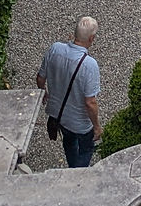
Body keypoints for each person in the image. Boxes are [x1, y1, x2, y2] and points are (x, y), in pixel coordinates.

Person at [36, 16, 102, 168]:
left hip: (60, 116)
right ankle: (77, 175)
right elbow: (90, 102)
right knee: (86, 150)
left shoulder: (55, 49)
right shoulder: (90, 65)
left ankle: (72, 166)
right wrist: (97, 127)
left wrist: (44, 92)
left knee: (69, 142)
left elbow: (40, 78)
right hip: (80, 123)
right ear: (91, 38)